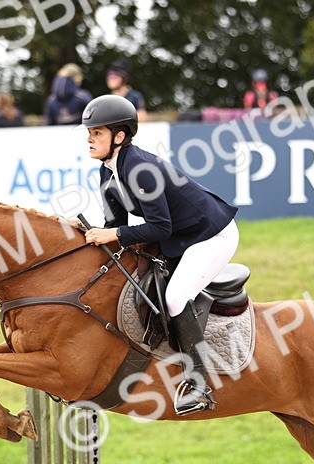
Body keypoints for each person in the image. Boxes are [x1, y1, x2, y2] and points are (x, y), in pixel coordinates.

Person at [79, 95, 239, 415]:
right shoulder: (107, 171)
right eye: (89, 132)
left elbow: (160, 227)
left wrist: (112, 234)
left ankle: (199, 385)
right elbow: (116, 227)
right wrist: (86, 231)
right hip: (183, 237)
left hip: (211, 235)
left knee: (176, 297)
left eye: (97, 132)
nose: (89, 138)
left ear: (119, 136)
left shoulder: (140, 168)